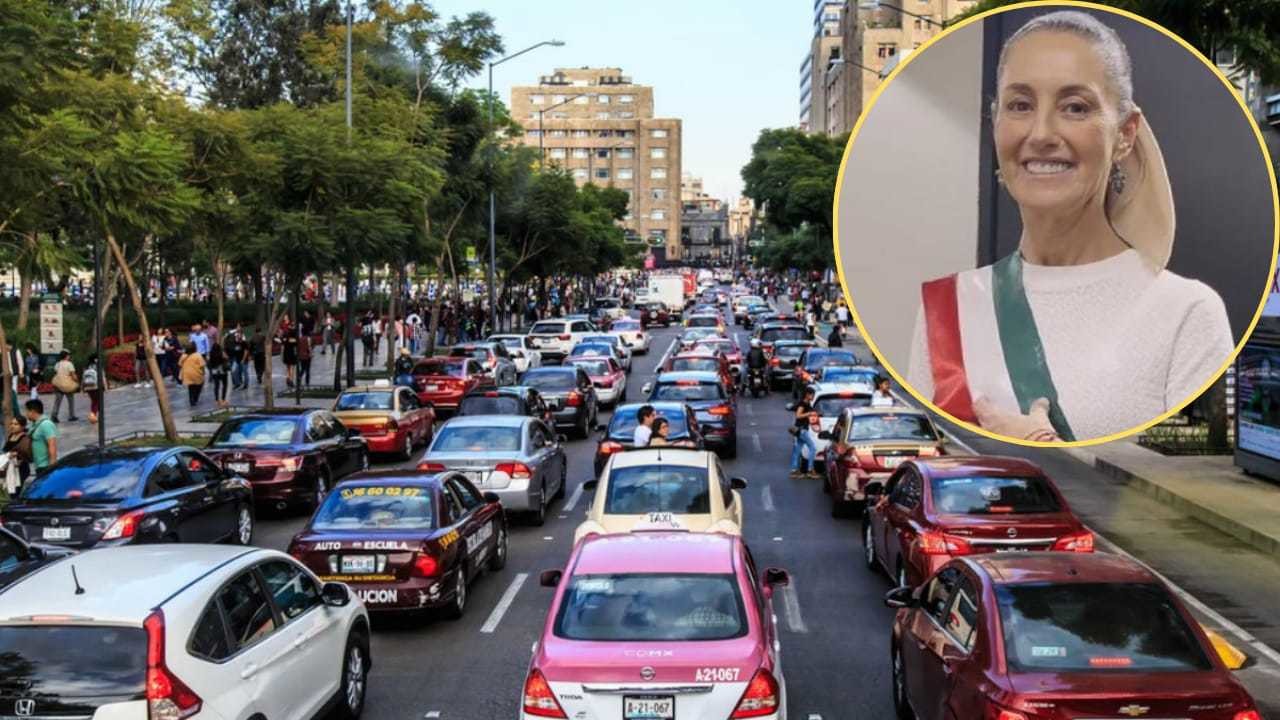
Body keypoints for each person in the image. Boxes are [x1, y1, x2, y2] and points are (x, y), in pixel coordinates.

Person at [906, 10, 1231, 442]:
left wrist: (1049, 451)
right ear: (997, 122)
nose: (1041, 133)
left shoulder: (1187, 314)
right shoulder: (946, 309)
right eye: (1020, 105)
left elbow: (1195, 484)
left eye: (1075, 107)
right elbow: (928, 462)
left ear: (1125, 134)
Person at [790, 388, 819, 478]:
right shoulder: (803, 403)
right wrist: (809, 414)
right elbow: (798, 415)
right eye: (812, 394)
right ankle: (810, 470)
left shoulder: (807, 404)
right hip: (802, 430)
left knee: (797, 449)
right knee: (813, 448)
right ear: (807, 394)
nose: (813, 396)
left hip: (801, 429)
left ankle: (794, 471)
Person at [25, 399, 57, 471]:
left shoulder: (46, 424)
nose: (26, 414)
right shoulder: (35, 424)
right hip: (38, 465)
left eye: (27, 411)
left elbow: (52, 445)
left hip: (45, 466)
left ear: (32, 411)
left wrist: (52, 466)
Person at [4, 415, 32, 494]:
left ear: (22, 426)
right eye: (12, 424)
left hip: (20, 469)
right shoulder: (11, 436)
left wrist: (17, 455)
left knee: (16, 492)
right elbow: (6, 449)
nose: (13, 426)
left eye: (16, 424)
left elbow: (27, 453)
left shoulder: (25, 438)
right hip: (10, 469)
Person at [49, 350, 78, 423]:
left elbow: (56, 372)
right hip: (67, 385)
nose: (69, 356)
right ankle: (71, 415)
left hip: (58, 385)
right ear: (66, 356)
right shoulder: (69, 364)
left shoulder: (57, 364)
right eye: (68, 355)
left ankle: (54, 416)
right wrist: (77, 381)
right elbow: (73, 374)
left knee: (57, 401)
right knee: (71, 400)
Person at [179, 342, 207, 407]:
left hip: (187, 374)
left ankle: (192, 401)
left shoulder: (183, 355)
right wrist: (203, 372)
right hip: (196, 373)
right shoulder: (198, 355)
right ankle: (195, 398)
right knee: (199, 385)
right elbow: (202, 365)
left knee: (191, 388)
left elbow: (180, 364)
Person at [226, 325, 249, 390]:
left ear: (241, 335)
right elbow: (234, 350)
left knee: (245, 372)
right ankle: (237, 383)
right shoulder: (235, 343)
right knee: (233, 371)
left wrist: (243, 359)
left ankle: (245, 385)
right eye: (237, 335)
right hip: (237, 360)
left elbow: (246, 352)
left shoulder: (244, 343)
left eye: (239, 335)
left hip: (243, 360)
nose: (237, 336)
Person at [208, 342, 229, 409]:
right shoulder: (222, 353)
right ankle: (223, 399)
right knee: (224, 385)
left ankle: (217, 400)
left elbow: (209, 362)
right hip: (222, 371)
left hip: (215, 371)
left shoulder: (211, 354)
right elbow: (226, 358)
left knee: (216, 386)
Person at [82, 354, 101, 424]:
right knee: (96, 401)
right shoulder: (96, 366)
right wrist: (106, 386)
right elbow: (102, 376)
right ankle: (93, 415)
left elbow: (83, 378)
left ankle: (95, 415)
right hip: (95, 386)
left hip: (87, 386)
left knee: (94, 401)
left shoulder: (86, 367)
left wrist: (83, 388)